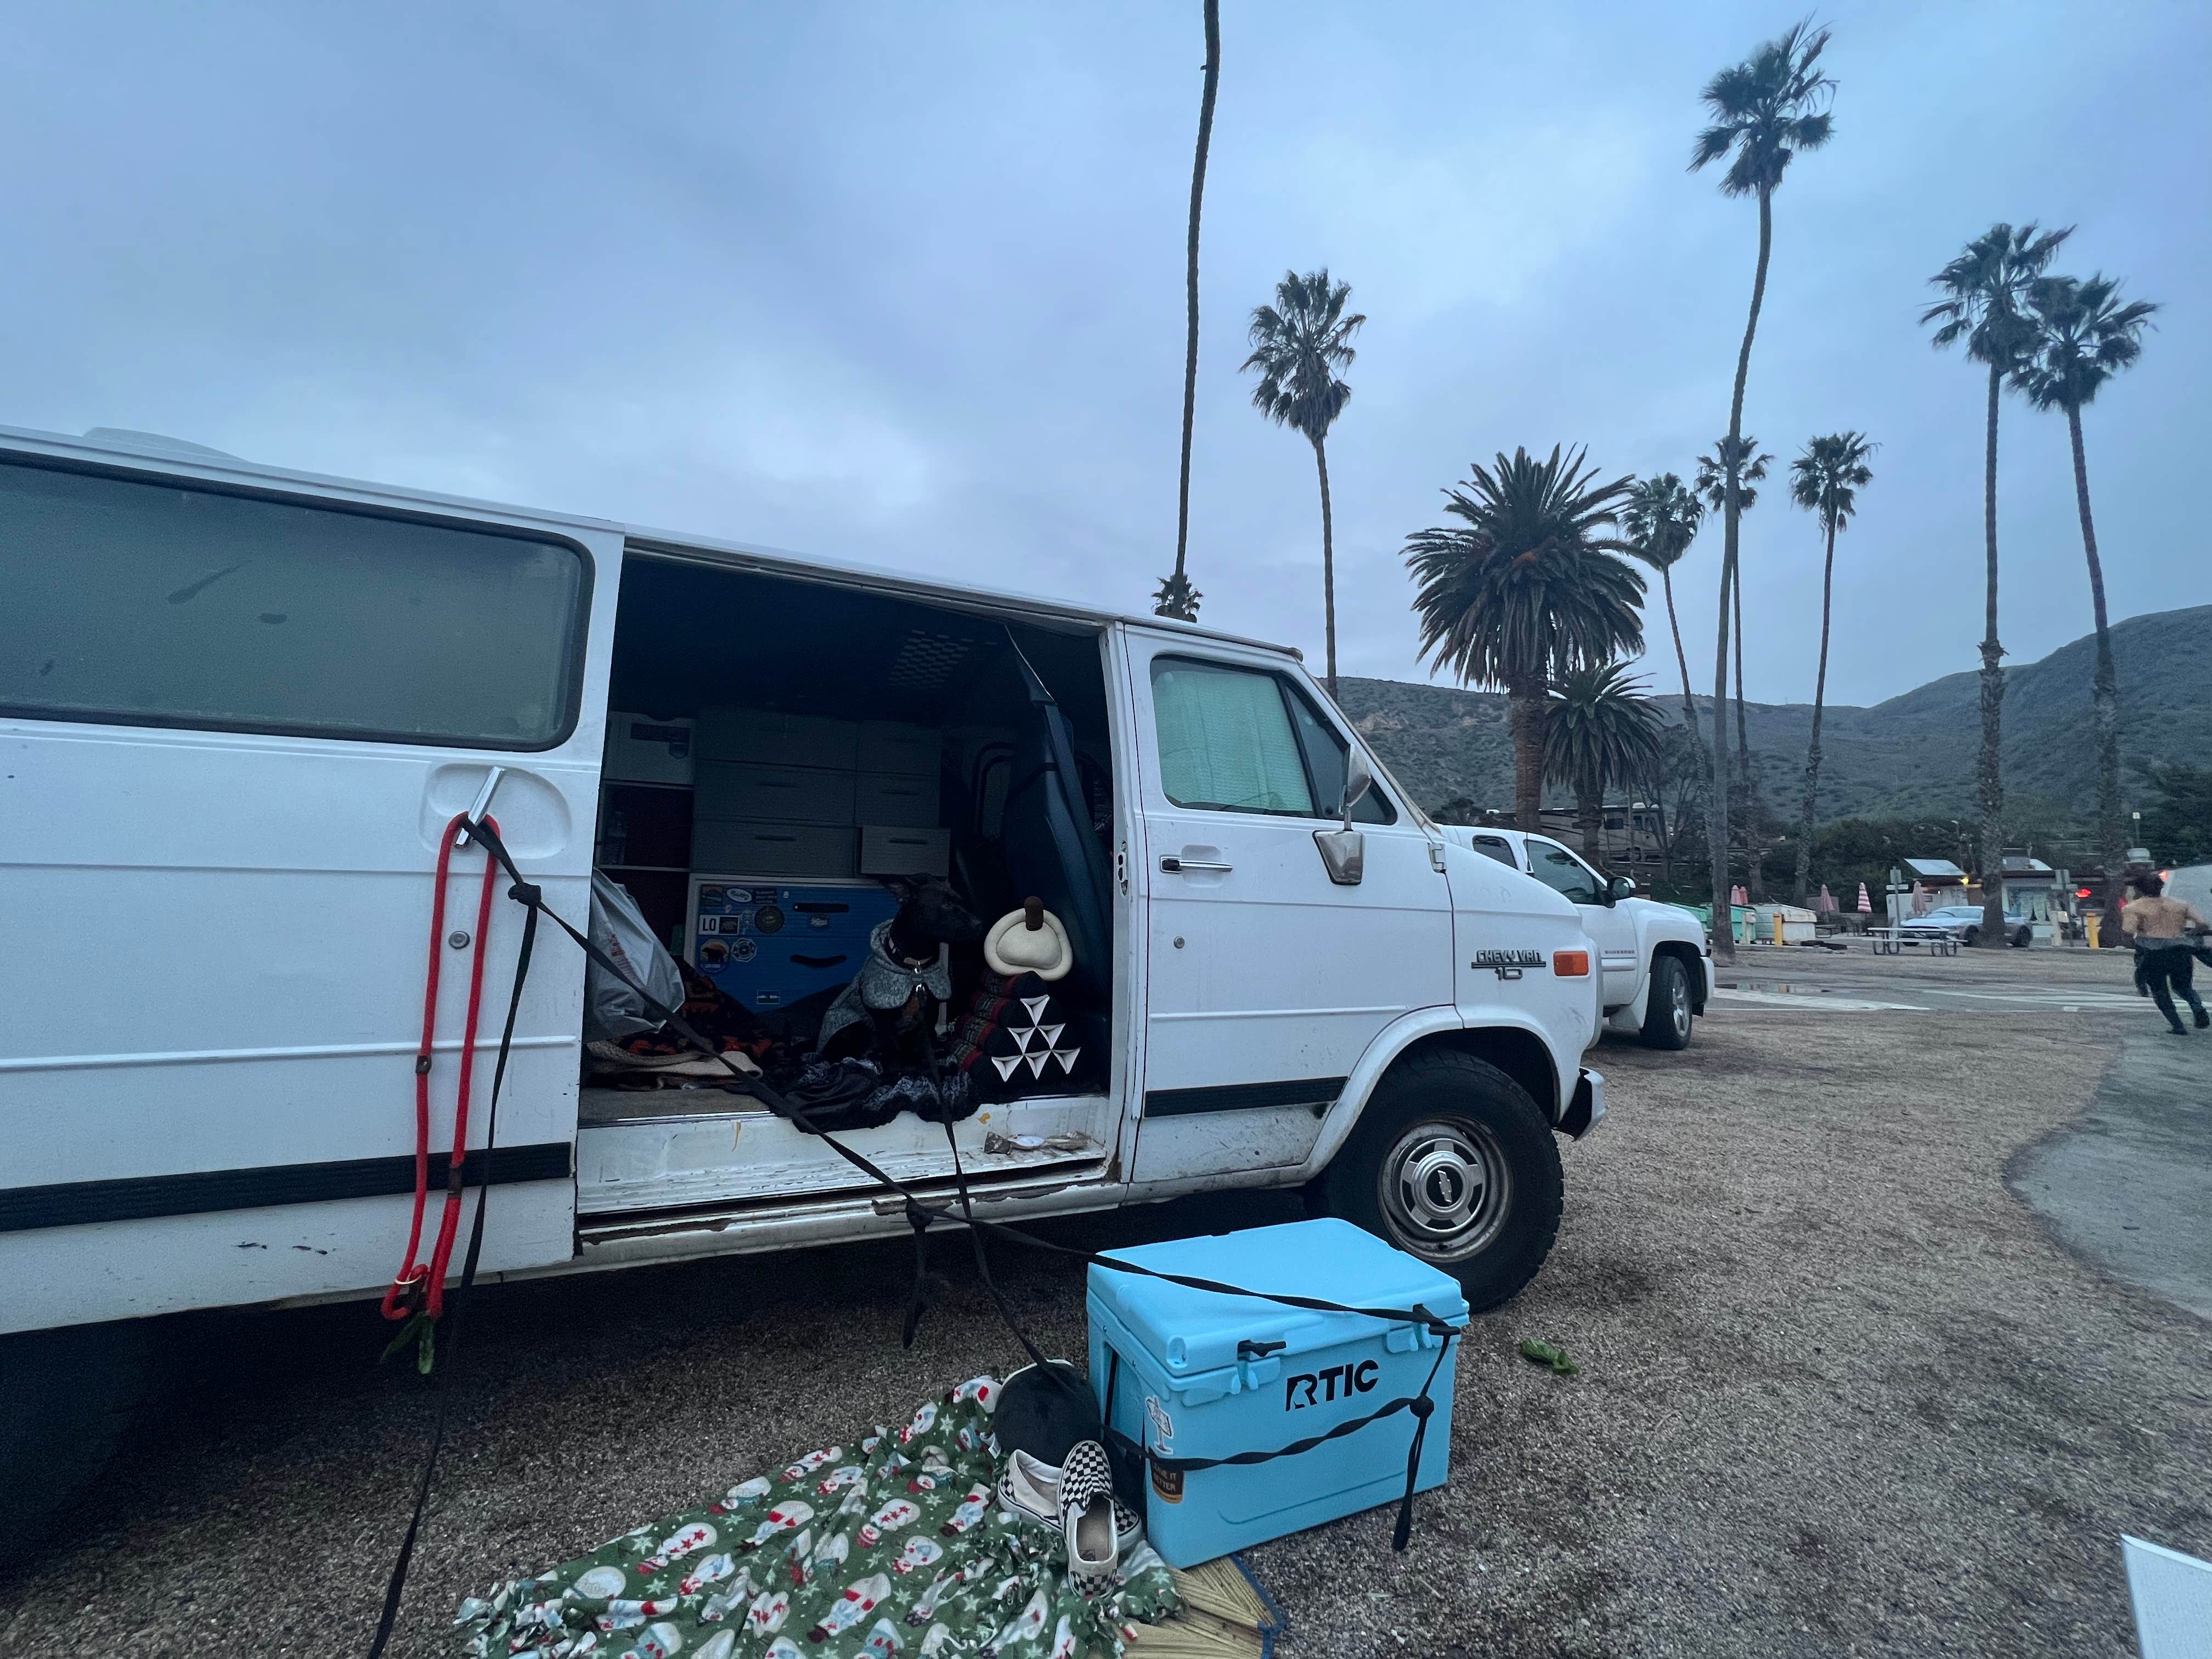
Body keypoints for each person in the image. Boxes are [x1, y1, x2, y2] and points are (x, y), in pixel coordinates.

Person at [2121, 872, 2211, 1035]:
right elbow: (2203, 925)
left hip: (2152, 953)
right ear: (2161, 887)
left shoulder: (2133, 908)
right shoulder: (2180, 904)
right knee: (2183, 987)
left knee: (2159, 990)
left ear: (2138, 889)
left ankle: (2178, 1026)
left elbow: (2128, 930)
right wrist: (2189, 936)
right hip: (2180, 950)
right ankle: (2198, 1008)